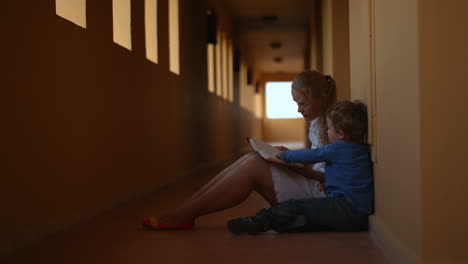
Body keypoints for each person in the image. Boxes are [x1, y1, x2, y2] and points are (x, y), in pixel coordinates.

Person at [143, 70, 337, 230]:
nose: (299, 110)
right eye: (296, 103)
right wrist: (288, 154)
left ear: (323, 98)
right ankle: (185, 210)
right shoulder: (317, 123)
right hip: (311, 186)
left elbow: (331, 176)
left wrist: (296, 166)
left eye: (303, 103)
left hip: (318, 200)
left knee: (254, 165)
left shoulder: (334, 129)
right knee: (252, 158)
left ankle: (184, 214)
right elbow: (318, 160)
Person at [227, 101, 373, 235]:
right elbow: (351, 178)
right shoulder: (361, 150)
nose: (327, 132)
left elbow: (312, 155)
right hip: (360, 217)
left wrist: (284, 156)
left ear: (340, 134)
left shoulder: (338, 148)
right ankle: (291, 223)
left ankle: (258, 222)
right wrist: (331, 183)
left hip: (344, 208)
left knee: (294, 205)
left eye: (329, 128)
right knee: (312, 213)